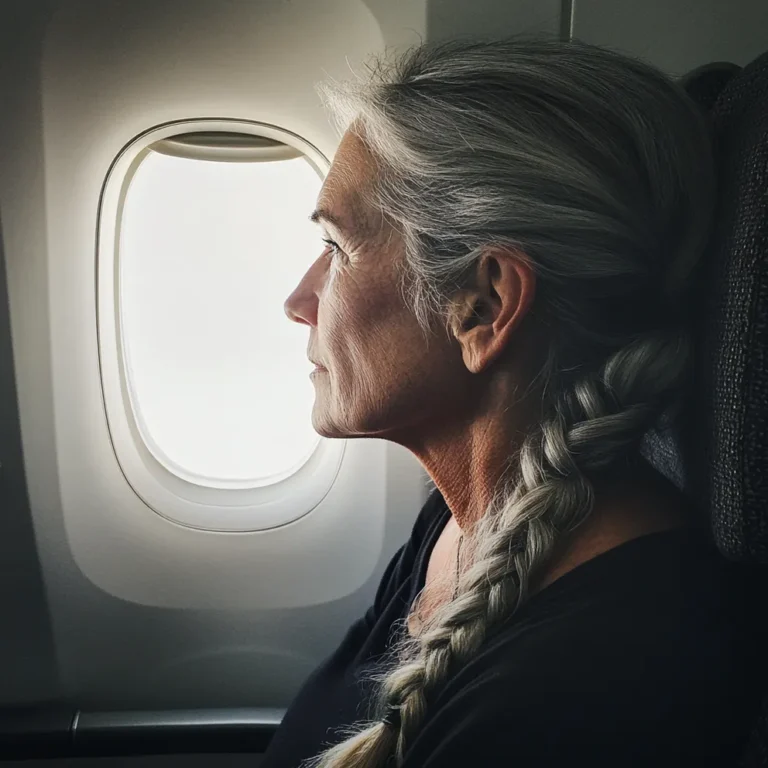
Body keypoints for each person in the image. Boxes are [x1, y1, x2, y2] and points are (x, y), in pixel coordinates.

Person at [264, 38, 759, 768]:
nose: (299, 301)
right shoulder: (460, 527)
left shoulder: (604, 678)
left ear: (486, 306)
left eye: (338, 249)